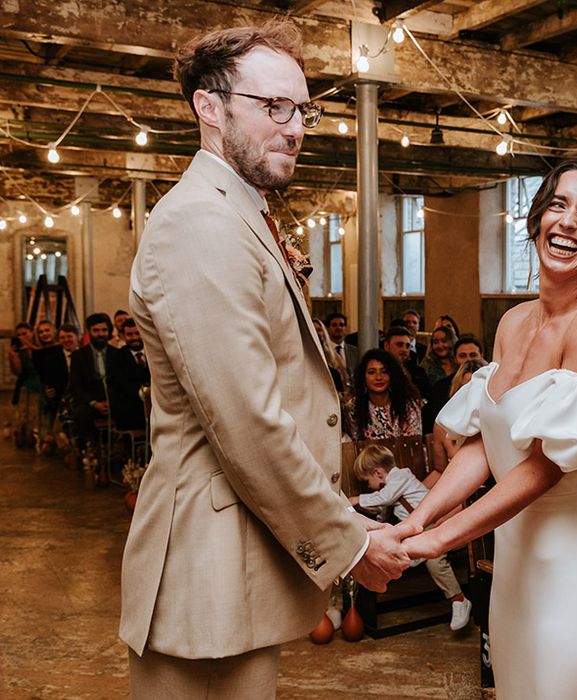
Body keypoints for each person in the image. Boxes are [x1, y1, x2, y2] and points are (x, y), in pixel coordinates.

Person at [119, 21, 411, 698]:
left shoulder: (239, 211)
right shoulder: (202, 223)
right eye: (273, 107)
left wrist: (342, 516)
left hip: (239, 557)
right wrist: (351, 542)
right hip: (204, 565)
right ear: (210, 107)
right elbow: (246, 420)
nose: (296, 127)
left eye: (302, 109)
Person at [398, 161, 577, 699]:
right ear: (536, 220)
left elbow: (543, 467)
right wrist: (415, 522)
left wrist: (439, 539)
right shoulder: (512, 321)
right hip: (512, 572)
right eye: (558, 204)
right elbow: (486, 440)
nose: (568, 221)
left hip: (571, 575)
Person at [349, 445, 473, 631]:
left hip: (436, 526)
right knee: (400, 555)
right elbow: (383, 513)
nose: (368, 486)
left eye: (367, 481)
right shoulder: (388, 489)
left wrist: (357, 500)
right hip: (421, 531)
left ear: (378, 473)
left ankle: (459, 600)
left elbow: (385, 498)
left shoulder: (400, 477)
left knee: (435, 561)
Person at [344, 349, 423, 441]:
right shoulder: (353, 408)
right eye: (372, 372)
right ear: (363, 377)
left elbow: (414, 445)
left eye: (384, 371)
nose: (379, 377)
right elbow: (354, 445)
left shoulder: (408, 406)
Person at [69, 313, 120, 451]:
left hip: (113, 401)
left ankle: (120, 449)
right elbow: (75, 386)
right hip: (90, 402)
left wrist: (111, 402)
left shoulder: (117, 354)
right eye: (96, 330)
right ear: (89, 332)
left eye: (104, 330)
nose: (100, 334)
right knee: (81, 413)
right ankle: (91, 449)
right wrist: (94, 403)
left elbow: (120, 382)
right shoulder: (78, 356)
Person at [430, 359, 488, 478]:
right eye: (466, 388)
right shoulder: (442, 425)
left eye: (477, 390)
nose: (472, 395)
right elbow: (440, 472)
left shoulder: (496, 422)